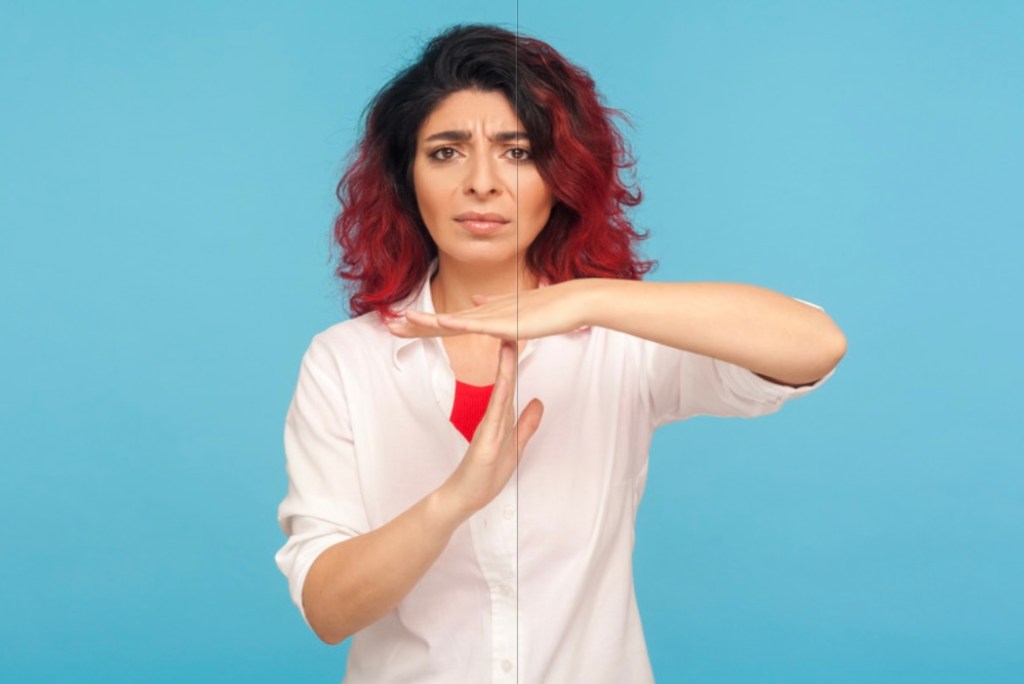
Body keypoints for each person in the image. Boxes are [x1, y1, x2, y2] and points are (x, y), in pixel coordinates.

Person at [275, 23, 846, 683]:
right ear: (406, 178)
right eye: (446, 152)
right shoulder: (344, 362)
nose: (482, 183)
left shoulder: (618, 339)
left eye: (517, 153)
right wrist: (453, 501)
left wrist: (587, 299)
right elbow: (328, 610)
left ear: (561, 177)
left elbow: (816, 344)